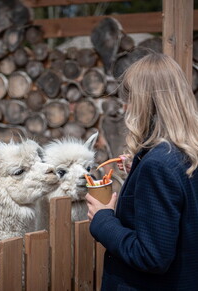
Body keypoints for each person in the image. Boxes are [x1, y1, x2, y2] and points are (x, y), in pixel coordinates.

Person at [86, 53, 198, 290]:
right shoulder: (186, 153)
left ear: (145, 102)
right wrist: (138, 171)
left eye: (129, 99)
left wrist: (103, 219)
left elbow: (151, 256)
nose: (125, 106)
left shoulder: (158, 165)